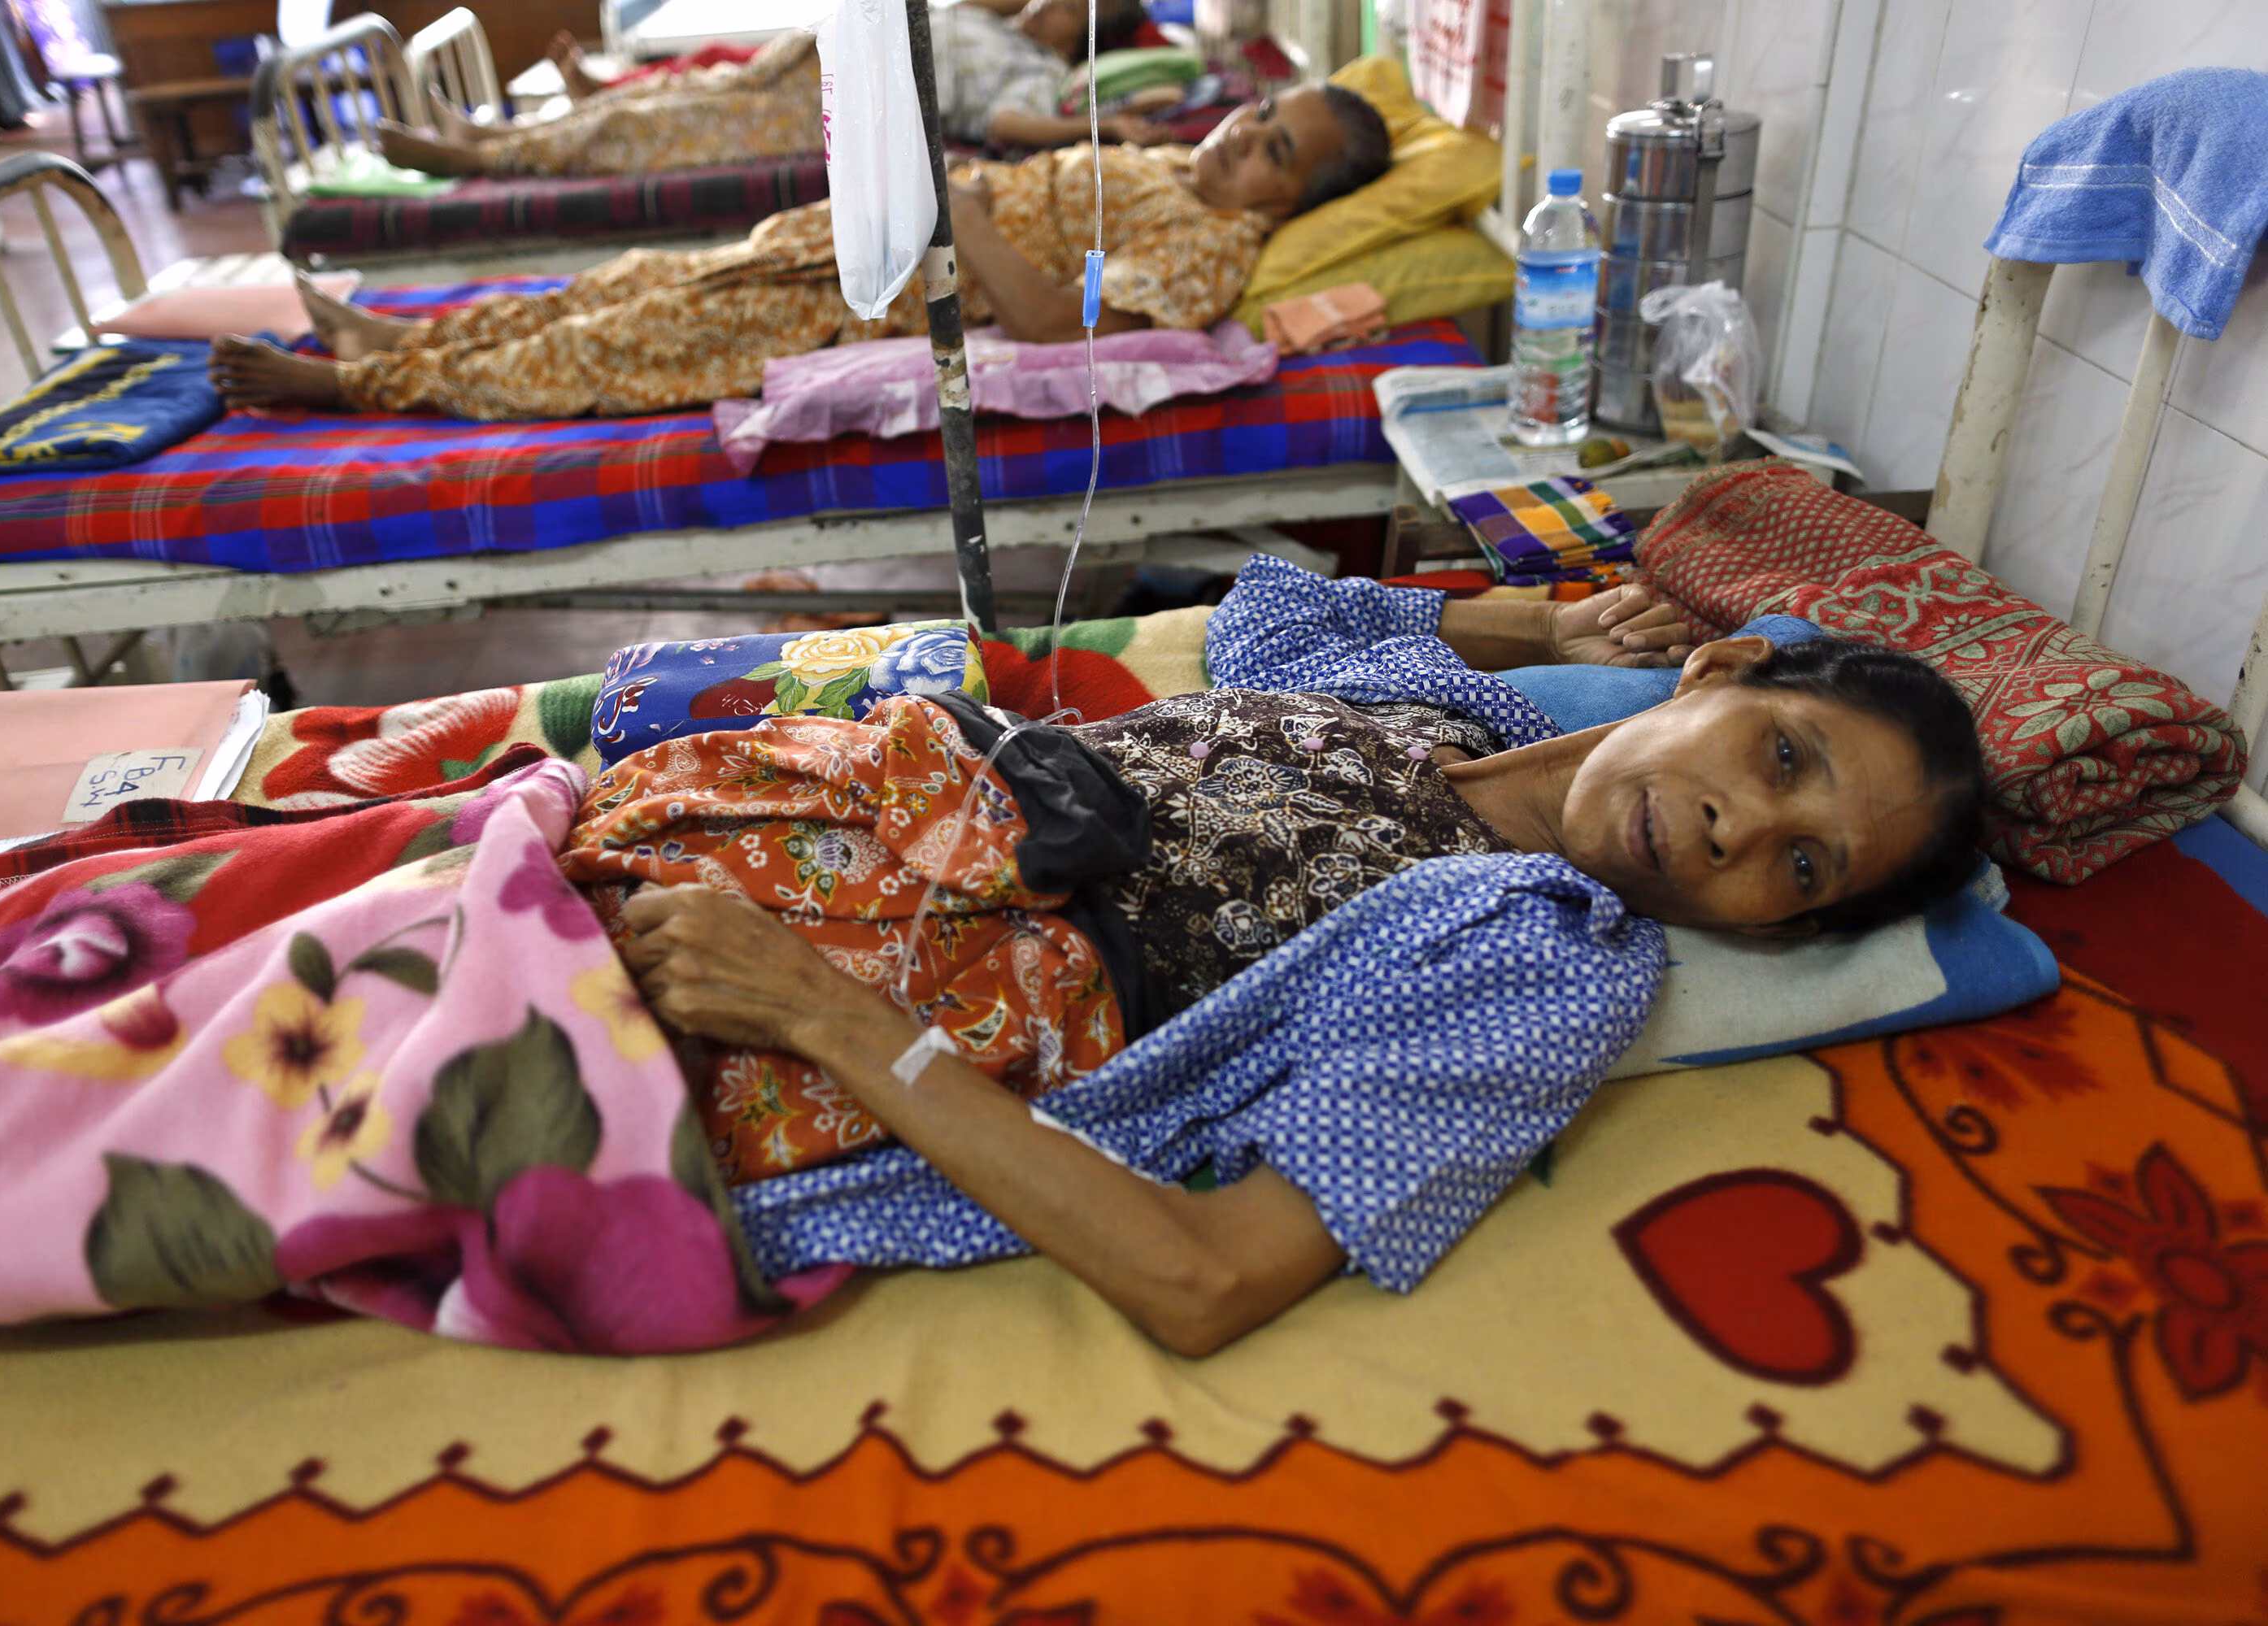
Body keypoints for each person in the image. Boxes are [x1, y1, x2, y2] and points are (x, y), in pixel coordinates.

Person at [572, 557, 1988, 1357]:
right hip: (729, 807)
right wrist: (1545, 624)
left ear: (1784, 931)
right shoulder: (1446, 713)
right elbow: (1272, 604)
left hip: (790, 984)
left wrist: (825, 1017)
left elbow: (1212, 1279)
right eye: (1781, 753)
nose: (1746, 823)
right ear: (1719, 673)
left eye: (1805, 866)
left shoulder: (1553, 956)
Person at [205, 84, 1393, 420]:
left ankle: (353, 384)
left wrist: (958, 202)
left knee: (617, 344)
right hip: (845, 238)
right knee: (622, 283)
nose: (1243, 137)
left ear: (1286, 205)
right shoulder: (1160, 159)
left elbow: (1047, 320)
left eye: (1273, 152)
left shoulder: (1204, 250)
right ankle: (410, 338)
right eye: (1261, 113)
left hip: (874, 295)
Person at [381, 0, 1161, 182]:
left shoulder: (1036, 73)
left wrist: (1110, 126)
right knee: (655, 100)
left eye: (1063, 3)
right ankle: (493, 136)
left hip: (834, 111)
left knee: (647, 132)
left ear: (1082, 33)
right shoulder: (1002, 28)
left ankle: (484, 164)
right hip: (809, 65)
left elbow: (1008, 122)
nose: (1042, 3)